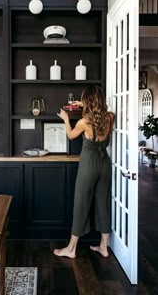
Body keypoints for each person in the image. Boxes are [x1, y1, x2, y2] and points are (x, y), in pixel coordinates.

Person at [54, 85, 115, 259]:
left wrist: (66, 118)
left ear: (87, 101)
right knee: (103, 202)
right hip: (104, 163)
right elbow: (100, 113)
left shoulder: (83, 122)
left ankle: (71, 248)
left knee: (81, 203)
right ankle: (104, 247)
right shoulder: (110, 117)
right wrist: (85, 103)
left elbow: (71, 135)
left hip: (89, 165)